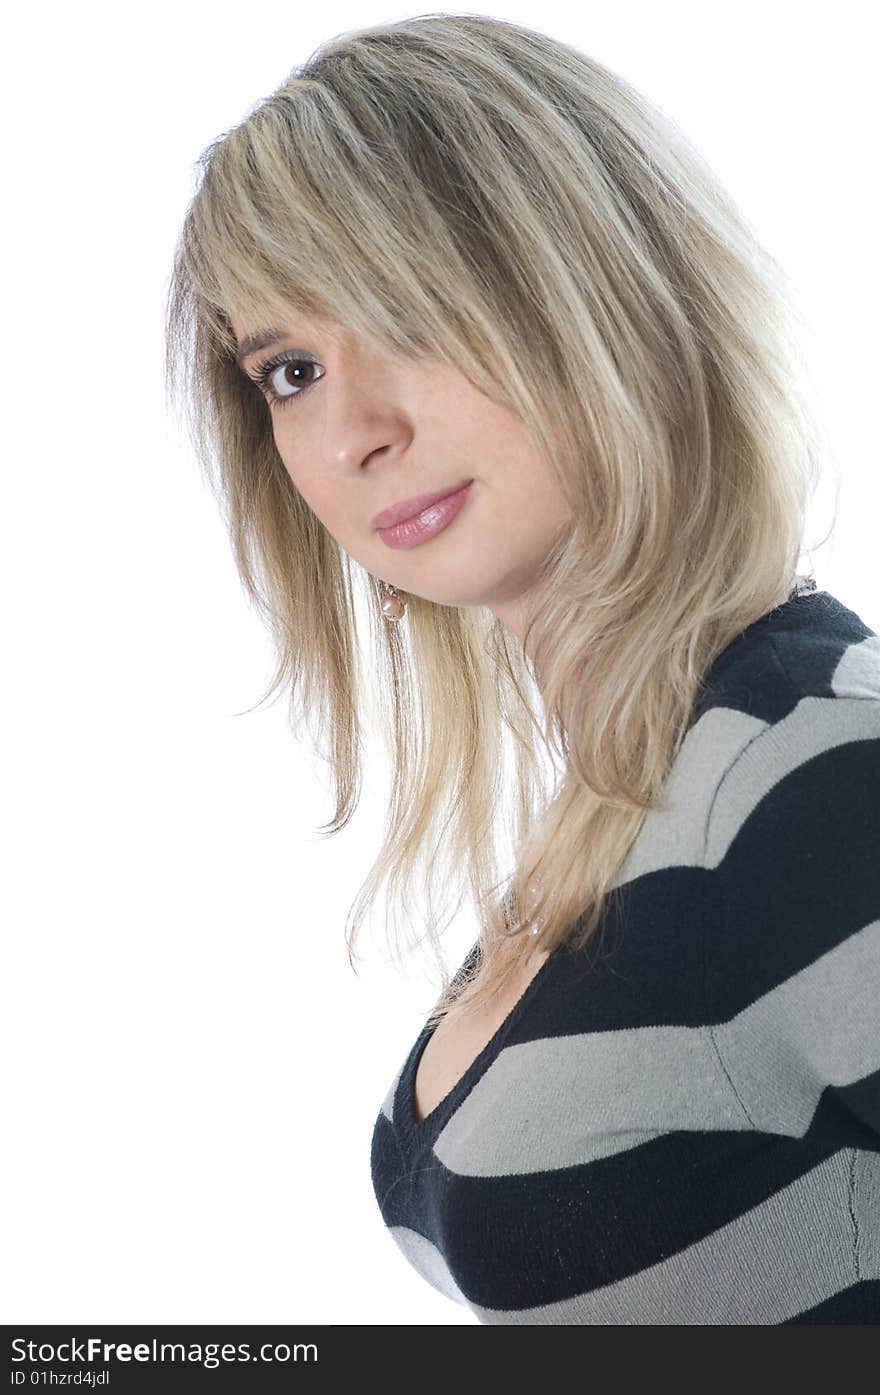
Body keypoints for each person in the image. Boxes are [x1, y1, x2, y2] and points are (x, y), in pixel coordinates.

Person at [164, 14, 880, 1323]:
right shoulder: (633, 796)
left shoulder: (818, 772)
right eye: (292, 369)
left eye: (410, 314)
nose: (355, 432)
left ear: (598, 288)